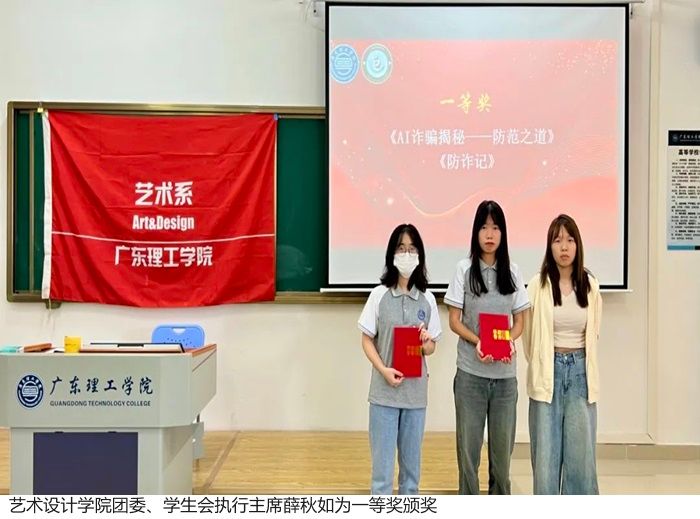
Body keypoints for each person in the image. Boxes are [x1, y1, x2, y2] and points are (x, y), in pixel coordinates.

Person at [444, 200, 530, 495]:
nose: (490, 234)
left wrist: (508, 340)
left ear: (503, 233)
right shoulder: (464, 269)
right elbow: (454, 320)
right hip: (471, 375)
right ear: (475, 232)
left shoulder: (513, 271)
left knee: (502, 461)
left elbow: (520, 322)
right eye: (484, 227)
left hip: (505, 379)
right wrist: (478, 341)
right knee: (468, 457)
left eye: (495, 227)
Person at [358, 223, 442, 495]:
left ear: (420, 255)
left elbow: (431, 348)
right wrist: (383, 369)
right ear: (392, 254)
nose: (407, 254)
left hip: (415, 397)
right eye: (401, 248)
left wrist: (426, 342)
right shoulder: (379, 295)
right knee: (381, 477)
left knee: (411, 479)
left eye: (412, 249)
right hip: (384, 394)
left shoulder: (427, 299)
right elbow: (366, 339)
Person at [522, 214, 602, 494]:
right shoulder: (537, 285)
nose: (564, 247)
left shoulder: (590, 285)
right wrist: (544, 364)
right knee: (546, 457)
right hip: (548, 373)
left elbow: (594, 333)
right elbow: (529, 336)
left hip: (580, 374)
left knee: (581, 459)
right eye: (558, 241)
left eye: (570, 240)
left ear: (578, 245)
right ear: (550, 246)